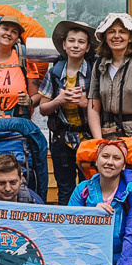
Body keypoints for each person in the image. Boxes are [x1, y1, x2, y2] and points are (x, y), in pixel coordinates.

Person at [38, 20, 96, 201]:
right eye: (71, 41)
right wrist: (58, 100)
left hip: (88, 138)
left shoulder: (95, 72)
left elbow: (103, 107)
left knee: (91, 186)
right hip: (62, 139)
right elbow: (43, 108)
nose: (75, 45)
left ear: (87, 48)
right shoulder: (54, 72)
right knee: (65, 188)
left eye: (81, 42)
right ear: (64, 45)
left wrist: (86, 103)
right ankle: (66, 227)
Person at [87, 13, 132, 140]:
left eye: (122, 32)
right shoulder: (99, 65)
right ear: (105, 37)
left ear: (131, 37)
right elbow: (93, 108)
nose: (116, 36)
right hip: (108, 134)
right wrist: (99, 142)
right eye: (111, 32)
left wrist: (131, 143)